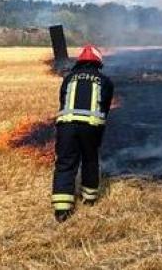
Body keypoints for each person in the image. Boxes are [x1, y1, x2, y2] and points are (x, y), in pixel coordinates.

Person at [51, 44, 114, 222]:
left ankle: (61, 210)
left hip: (66, 126)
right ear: (98, 63)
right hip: (91, 127)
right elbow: (105, 107)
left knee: (65, 164)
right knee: (90, 160)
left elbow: (63, 101)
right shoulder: (105, 81)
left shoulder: (69, 78)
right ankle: (89, 199)